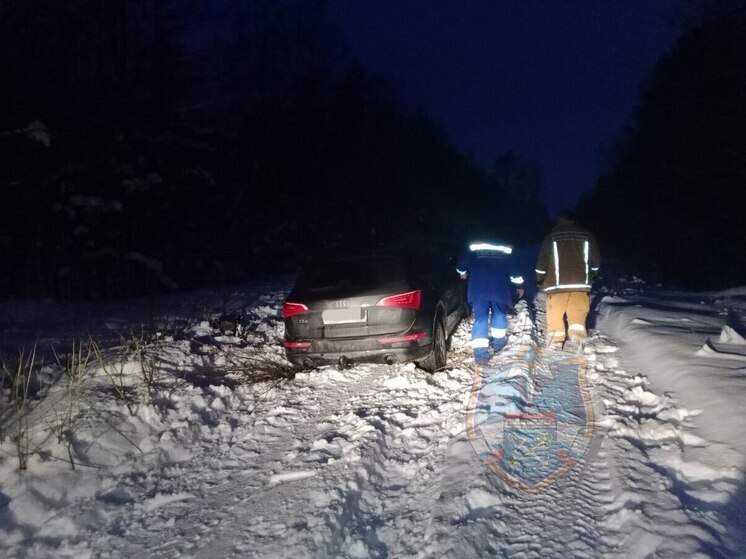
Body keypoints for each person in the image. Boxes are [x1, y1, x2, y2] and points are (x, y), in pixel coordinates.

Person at [535, 210, 600, 347]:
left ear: (559, 220)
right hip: (580, 284)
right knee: (577, 312)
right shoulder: (587, 235)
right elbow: (595, 259)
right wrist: (592, 274)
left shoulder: (551, 236)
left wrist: (539, 278)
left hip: (556, 284)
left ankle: (556, 341)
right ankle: (578, 339)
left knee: (555, 313)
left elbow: (542, 261)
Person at [457, 241, 525, 363]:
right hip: (499, 287)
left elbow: (462, 264)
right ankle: (499, 345)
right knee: (499, 314)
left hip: (478, 288)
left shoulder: (473, 246)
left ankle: (481, 354)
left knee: (480, 318)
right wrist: (519, 285)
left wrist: (462, 273)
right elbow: (513, 268)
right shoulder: (504, 247)